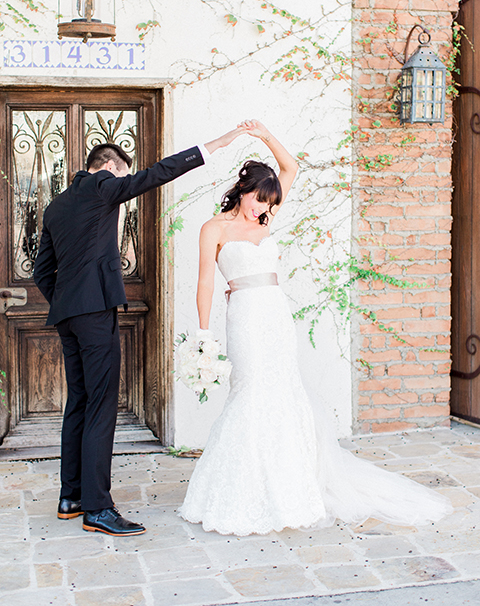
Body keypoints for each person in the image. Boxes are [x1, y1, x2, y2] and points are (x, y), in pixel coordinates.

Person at [179, 119, 453, 536]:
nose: (263, 209)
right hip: (245, 318)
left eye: (269, 203)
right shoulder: (214, 228)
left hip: (275, 314)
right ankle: (243, 486)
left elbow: (291, 168)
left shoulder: (265, 221)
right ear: (242, 190)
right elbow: (204, 282)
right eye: (258, 199)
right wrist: (202, 335)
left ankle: (288, 486)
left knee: (283, 391)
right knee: (250, 391)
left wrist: (266, 135)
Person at [33, 126, 247, 537]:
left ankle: (71, 497)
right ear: (110, 168)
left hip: (68, 316)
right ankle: (98, 509)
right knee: (100, 405)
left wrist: (68, 302)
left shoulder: (56, 206)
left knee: (79, 402)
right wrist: (212, 145)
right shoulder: (102, 186)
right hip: (95, 313)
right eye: (120, 176)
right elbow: (156, 174)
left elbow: (43, 271)